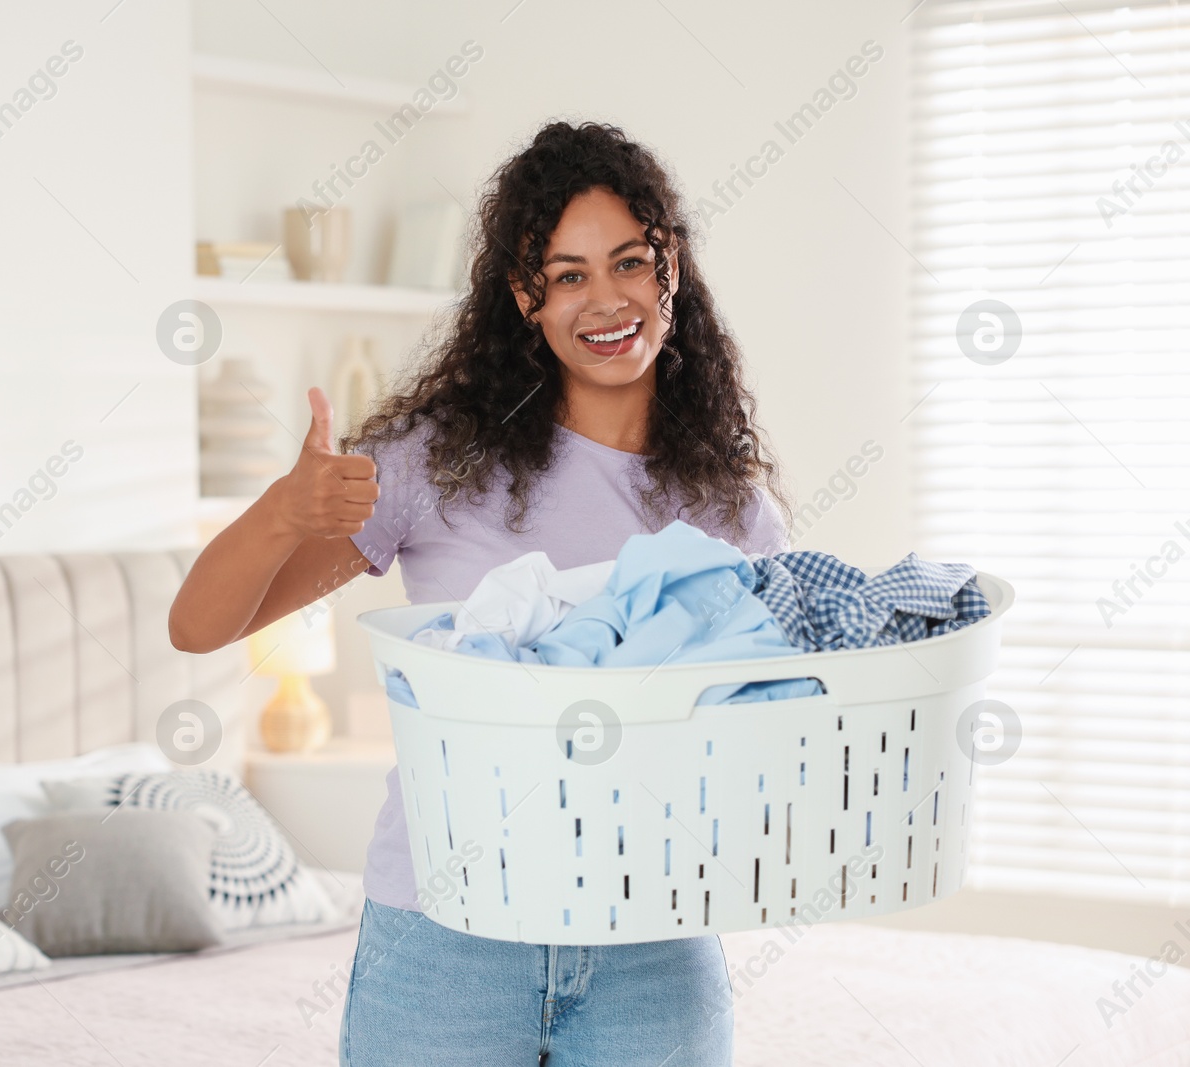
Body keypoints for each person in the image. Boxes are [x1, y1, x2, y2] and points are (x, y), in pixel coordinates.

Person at [168, 119, 792, 1066]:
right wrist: (283, 511)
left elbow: (771, 733)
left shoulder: (730, 508)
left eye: (630, 262)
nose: (605, 298)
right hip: (447, 935)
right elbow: (198, 624)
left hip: (654, 946)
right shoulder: (440, 461)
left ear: (673, 270)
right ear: (524, 296)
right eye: (568, 273)